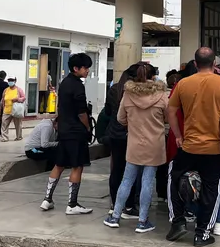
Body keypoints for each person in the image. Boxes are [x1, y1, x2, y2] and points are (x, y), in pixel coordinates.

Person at [166, 47, 220, 247]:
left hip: (189, 146)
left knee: (173, 178)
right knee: (213, 190)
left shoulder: (183, 83)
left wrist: (177, 135)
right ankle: (202, 233)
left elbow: (171, 110)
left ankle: (177, 221)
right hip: (215, 149)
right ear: (214, 64)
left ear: (194, 63)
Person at [104, 62, 169, 233]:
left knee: (127, 180)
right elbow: (168, 118)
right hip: (155, 144)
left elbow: (120, 118)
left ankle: (115, 216)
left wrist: (132, 126)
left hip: (134, 142)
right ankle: (142, 221)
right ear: (153, 76)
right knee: (147, 182)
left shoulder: (128, 95)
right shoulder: (162, 96)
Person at [41, 53, 94, 215]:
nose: (87, 71)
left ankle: (47, 199)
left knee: (59, 164)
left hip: (64, 130)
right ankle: (72, 204)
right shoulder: (78, 85)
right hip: (76, 131)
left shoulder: (64, 83)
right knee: (77, 166)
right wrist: (88, 128)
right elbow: (81, 112)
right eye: (85, 68)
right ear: (76, 68)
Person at [104, 66, 140, 219]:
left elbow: (107, 111)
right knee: (130, 171)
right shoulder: (135, 92)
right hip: (130, 134)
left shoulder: (114, 89)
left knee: (116, 171)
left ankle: (114, 204)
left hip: (114, 134)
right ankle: (129, 206)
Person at [0, 77, 26, 141]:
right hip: (6, 110)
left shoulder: (19, 90)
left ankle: (19, 137)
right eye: (9, 80)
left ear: (15, 81)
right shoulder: (6, 90)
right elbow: (2, 99)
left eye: (11, 80)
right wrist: (0, 108)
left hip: (16, 110)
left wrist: (17, 99)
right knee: (4, 124)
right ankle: (5, 138)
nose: (10, 82)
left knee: (18, 125)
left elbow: (23, 98)